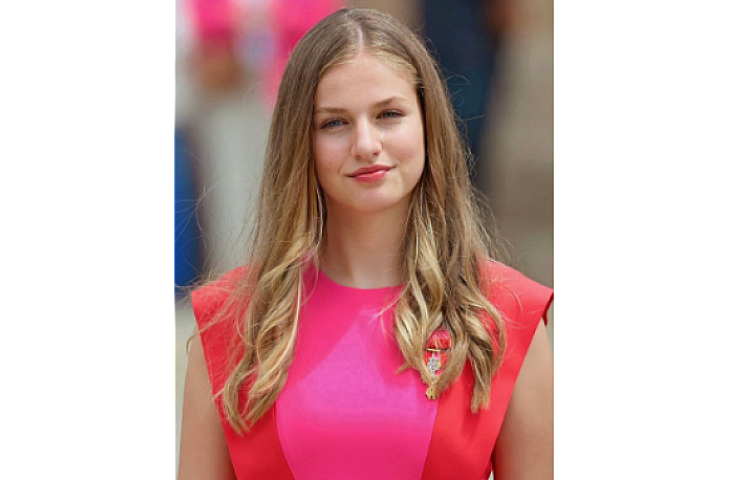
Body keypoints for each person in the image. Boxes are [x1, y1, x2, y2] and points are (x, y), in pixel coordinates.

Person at [178, 7, 553, 480]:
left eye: (389, 115)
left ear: (428, 124)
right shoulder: (229, 323)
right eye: (334, 123)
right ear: (299, 141)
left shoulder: (507, 316)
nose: (366, 144)